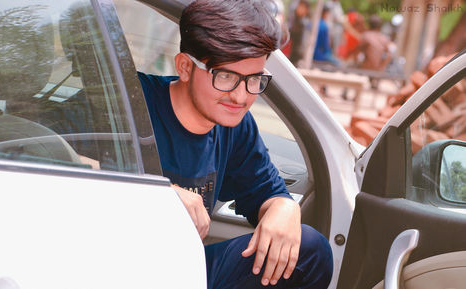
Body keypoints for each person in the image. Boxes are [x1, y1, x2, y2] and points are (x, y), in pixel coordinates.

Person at [137, 0, 333, 288]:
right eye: (226, 76)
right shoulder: (130, 100)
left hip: (185, 268)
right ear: (185, 67)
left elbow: (268, 194)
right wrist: (158, 193)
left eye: (253, 79)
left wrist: (285, 208)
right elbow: (54, 152)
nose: (241, 97)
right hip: (117, 265)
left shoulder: (235, 125)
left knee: (311, 250)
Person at [359, 15, 395, 88]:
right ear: (380, 26)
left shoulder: (366, 36)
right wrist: (381, 67)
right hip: (377, 69)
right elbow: (390, 55)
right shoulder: (384, 38)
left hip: (365, 68)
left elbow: (358, 52)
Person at [288, 0, 311, 67]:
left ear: (307, 10)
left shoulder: (305, 23)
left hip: (299, 56)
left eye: (302, 7)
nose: (298, 8)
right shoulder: (295, 21)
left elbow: (304, 42)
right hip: (293, 54)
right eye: (299, 6)